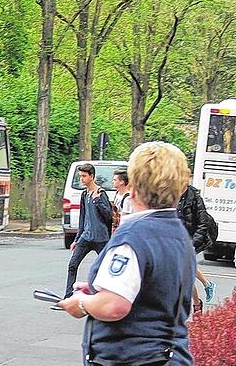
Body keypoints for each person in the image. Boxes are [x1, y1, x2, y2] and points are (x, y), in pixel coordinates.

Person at [58, 142, 195, 366]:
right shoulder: (179, 234)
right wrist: (98, 289)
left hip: (132, 356)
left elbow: (114, 306)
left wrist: (82, 302)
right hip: (173, 354)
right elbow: (157, 290)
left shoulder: (133, 235)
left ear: (134, 187)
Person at [60, 163, 112, 302]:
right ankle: (68, 296)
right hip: (86, 237)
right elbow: (83, 217)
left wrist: (98, 202)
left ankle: (104, 296)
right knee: (72, 264)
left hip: (101, 238)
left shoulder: (101, 194)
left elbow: (108, 216)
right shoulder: (84, 194)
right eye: (80, 176)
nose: (81, 179)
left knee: (105, 267)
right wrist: (77, 239)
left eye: (84, 176)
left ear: (92, 176)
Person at [177, 185, 217, 311]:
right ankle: (197, 303)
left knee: (186, 272)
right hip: (177, 238)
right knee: (186, 272)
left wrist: (193, 243)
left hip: (189, 239)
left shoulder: (193, 195)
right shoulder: (171, 192)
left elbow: (202, 220)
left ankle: (197, 303)